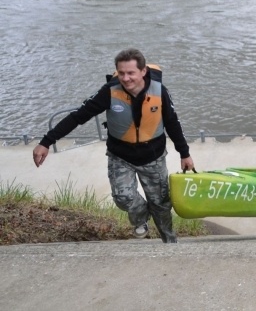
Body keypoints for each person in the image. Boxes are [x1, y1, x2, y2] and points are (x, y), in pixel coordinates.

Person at [32, 48, 194, 243]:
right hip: (121, 156)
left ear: (143, 72)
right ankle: (141, 218)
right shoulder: (109, 92)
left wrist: (185, 154)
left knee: (161, 205)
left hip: (153, 156)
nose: (126, 78)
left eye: (131, 73)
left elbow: (173, 124)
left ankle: (170, 242)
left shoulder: (160, 92)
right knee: (123, 197)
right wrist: (46, 142)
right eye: (122, 73)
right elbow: (78, 117)